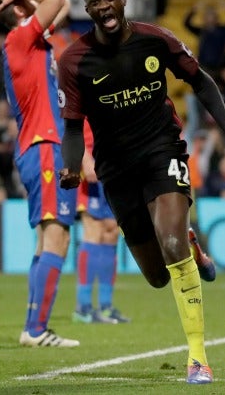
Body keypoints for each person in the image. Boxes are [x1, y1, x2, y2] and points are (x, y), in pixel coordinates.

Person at [57, 0, 225, 384]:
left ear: (124, 0)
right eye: (95, 2)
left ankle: (198, 358)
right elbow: (73, 126)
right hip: (116, 170)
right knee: (156, 276)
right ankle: (192, 243)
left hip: (161, 152)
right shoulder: (74, 61)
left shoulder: (156, 40)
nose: (104, 6)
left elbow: (200, 81)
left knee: (171, 247)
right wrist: (72, 166)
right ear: (88, 10)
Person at [0, 0, 78, 347]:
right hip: (43, 146)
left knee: (47, 238)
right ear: (21, 12)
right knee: (57, 234)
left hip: (39, 146)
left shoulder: (33, 42)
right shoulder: (20, 39)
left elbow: (65, 3)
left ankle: (33, 326)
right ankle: (37, 329)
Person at [72, 120, 129, 324]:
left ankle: (106, 306)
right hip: (91, 162)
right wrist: (84, 157)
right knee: (94, 230)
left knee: (111, 232)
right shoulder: (81, 89)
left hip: (114, 165)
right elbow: (70, 125)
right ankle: (83, 306)